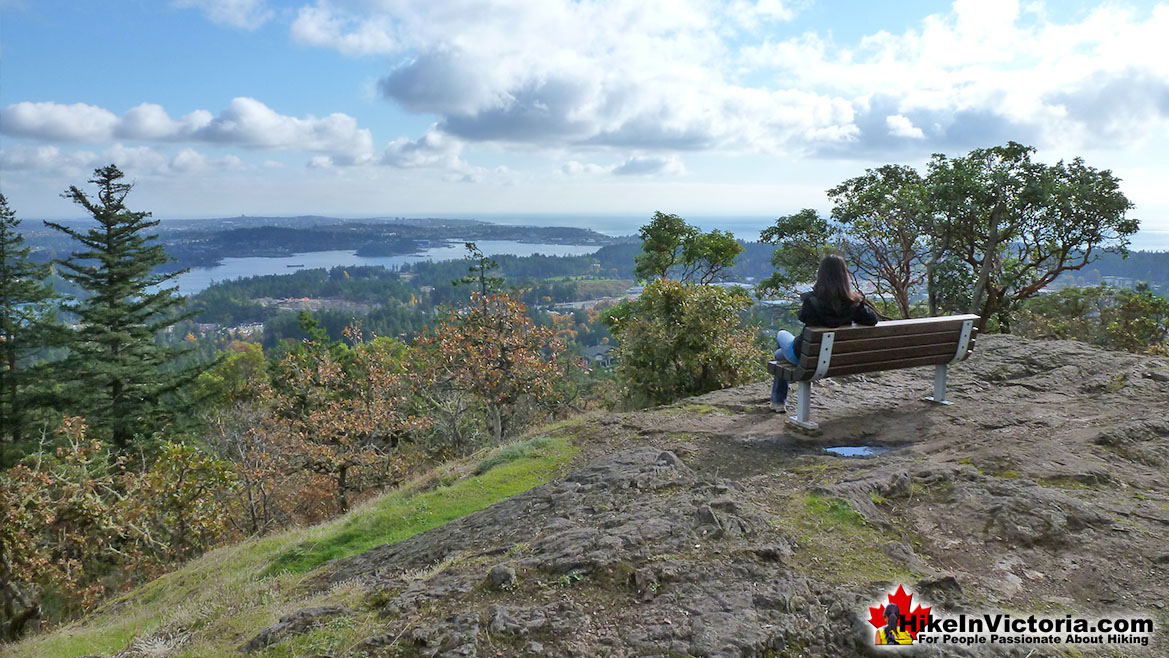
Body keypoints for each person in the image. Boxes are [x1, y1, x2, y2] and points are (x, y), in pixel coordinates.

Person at [771, 254, 879, 412]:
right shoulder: (854, 303)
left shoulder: (812, 301)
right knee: (780, 355)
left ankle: (778, 402)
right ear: (844, 276)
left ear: (821, 275)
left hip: (808, 358)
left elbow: (802, 317)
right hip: (838, 358)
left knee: (781, 335)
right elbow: (872, 320)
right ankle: (777, 401)